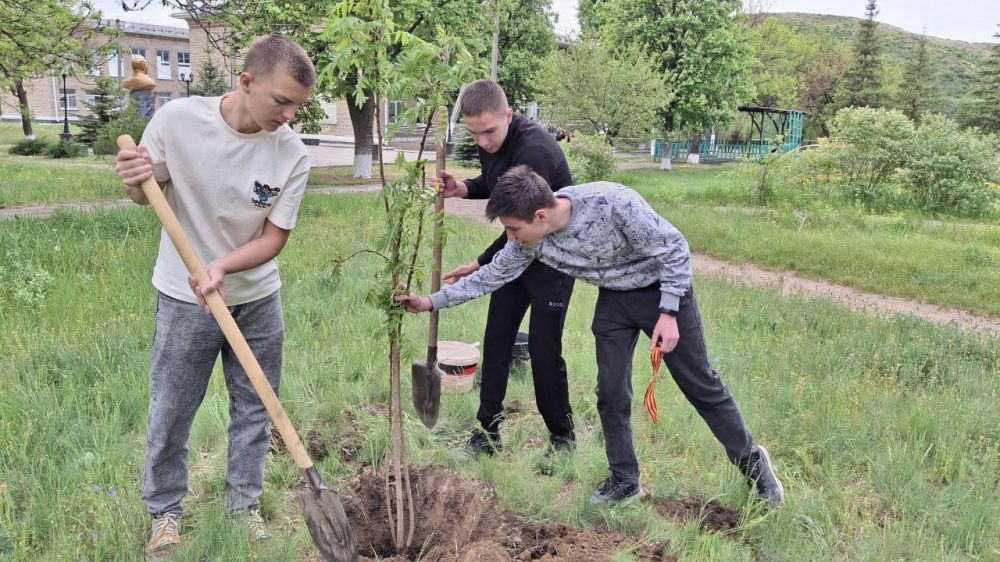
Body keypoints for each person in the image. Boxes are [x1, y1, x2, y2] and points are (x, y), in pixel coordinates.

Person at [396, 166, 785, 508]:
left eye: (513, 229)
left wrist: (668, 312)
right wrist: (430, 302)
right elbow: (493, 274)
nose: (510, 238)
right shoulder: (530, 241)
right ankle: (624, 481)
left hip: (663, 293)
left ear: (541, 214)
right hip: (615, 301)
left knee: (700, 385)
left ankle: (755, 469)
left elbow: (675, 248)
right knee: (611, 393)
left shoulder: (613, 203)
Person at [113, 34, 315, 554]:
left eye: (298, 106)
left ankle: (243, 505)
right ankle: (164, 512)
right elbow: (144, 192)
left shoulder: (291, 153)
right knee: (173, 407)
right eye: (282, 101)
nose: (289, 116)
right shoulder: (178, 122)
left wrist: (222, 265)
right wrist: (134, 180)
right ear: (246, 82)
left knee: (255, 407)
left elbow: (274, 238)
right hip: (185, 299)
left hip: (256, 299)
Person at [433, 80, 576, 459]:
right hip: (516, 255)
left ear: (508, 115)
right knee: (496, 340)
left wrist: (480, 263)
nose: (482, 142)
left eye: (489, 132)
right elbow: (496, 185)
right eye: (473, 133)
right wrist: (462, 187)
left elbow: (521, 225)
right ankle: (488, 433)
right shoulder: (491, 141)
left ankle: (562, 438)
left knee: (545, 351)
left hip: (550, 261)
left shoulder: (536, 151)